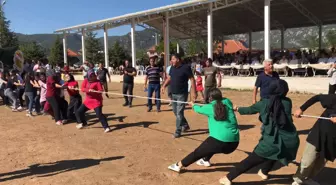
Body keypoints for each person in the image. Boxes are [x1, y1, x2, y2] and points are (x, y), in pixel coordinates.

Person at [219, 79, 299, 185]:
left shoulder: (263, 103)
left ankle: (228, 177)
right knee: (278, 153)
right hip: (289, 140)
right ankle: (264, 172)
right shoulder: (288, 102)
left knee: (252, 159)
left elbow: (249, 110)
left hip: (271, 141)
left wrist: (237, 108)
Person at [168, 88, 239, 172]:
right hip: (234, 143)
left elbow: (198, 109)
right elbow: (226, 103)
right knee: (211, 145)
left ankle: (178, 165)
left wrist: (193, 105)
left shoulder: (210, 107)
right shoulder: (227, 102)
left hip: (220, 142)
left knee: (198, 152)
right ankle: (205, 160)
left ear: (210, 98)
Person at [292, 94, 336, 185]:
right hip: (318, 134)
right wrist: (301, 109)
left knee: (320, 163)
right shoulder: (333, 99)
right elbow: (317, 97)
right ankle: (298, 179)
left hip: (333, 140)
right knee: (308, 160)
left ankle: (307, 178)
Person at [161, 54, 196, 138]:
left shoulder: (186, 67)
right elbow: (169, 77)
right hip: (173, 93)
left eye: (173, 59)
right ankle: (185, 125)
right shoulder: (172, 68)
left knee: (179, 113)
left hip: (182, 94)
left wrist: (194, 92)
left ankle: (178, 131)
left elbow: (192, 79)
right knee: (175, 112)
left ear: (178, 60)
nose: (171, 61)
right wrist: (163, 86)